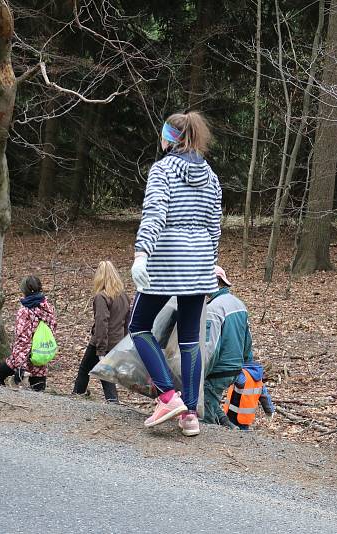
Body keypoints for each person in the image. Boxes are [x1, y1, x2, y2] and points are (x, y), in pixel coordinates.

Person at [128, 111, 222, 438]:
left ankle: (168, 396)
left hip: (167, 260)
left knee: (139, 326)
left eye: (163, 134)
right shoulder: (210, 176)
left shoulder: (163, 170)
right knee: (190, 341)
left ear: (171, 137)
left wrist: (142, 254)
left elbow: (155, 214)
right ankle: (190, 416)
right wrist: (211, 261)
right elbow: (214, 227)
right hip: (198, 265)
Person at [202, 266, 274, 428]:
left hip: (219, 369)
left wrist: (200, 373)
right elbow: (247, 340)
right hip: (237, 368)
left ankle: (207, 442)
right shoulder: (239, 304)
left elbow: (210, 348)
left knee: (204, 409)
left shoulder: (213, 309)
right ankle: (230, 427)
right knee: (212, 402)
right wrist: (248, 366)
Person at [72, 261, 131, 403]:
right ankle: (112, 400)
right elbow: (127, 322)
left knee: (85, 369)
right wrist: (123, 343)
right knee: (106, 372)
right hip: (117, 342)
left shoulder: (102, 297)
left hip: (102, 342)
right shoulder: (123, 296)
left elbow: (101, 323)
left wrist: (100, 349)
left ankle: (75, 398)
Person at [0, 275, 58, 392]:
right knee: (38, 394)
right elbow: (52, 330)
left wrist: (20, 367)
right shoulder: (48, 307)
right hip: (41, 356)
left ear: (24, 291)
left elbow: (22, 339)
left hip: (24, 359)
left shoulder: (24, 311)